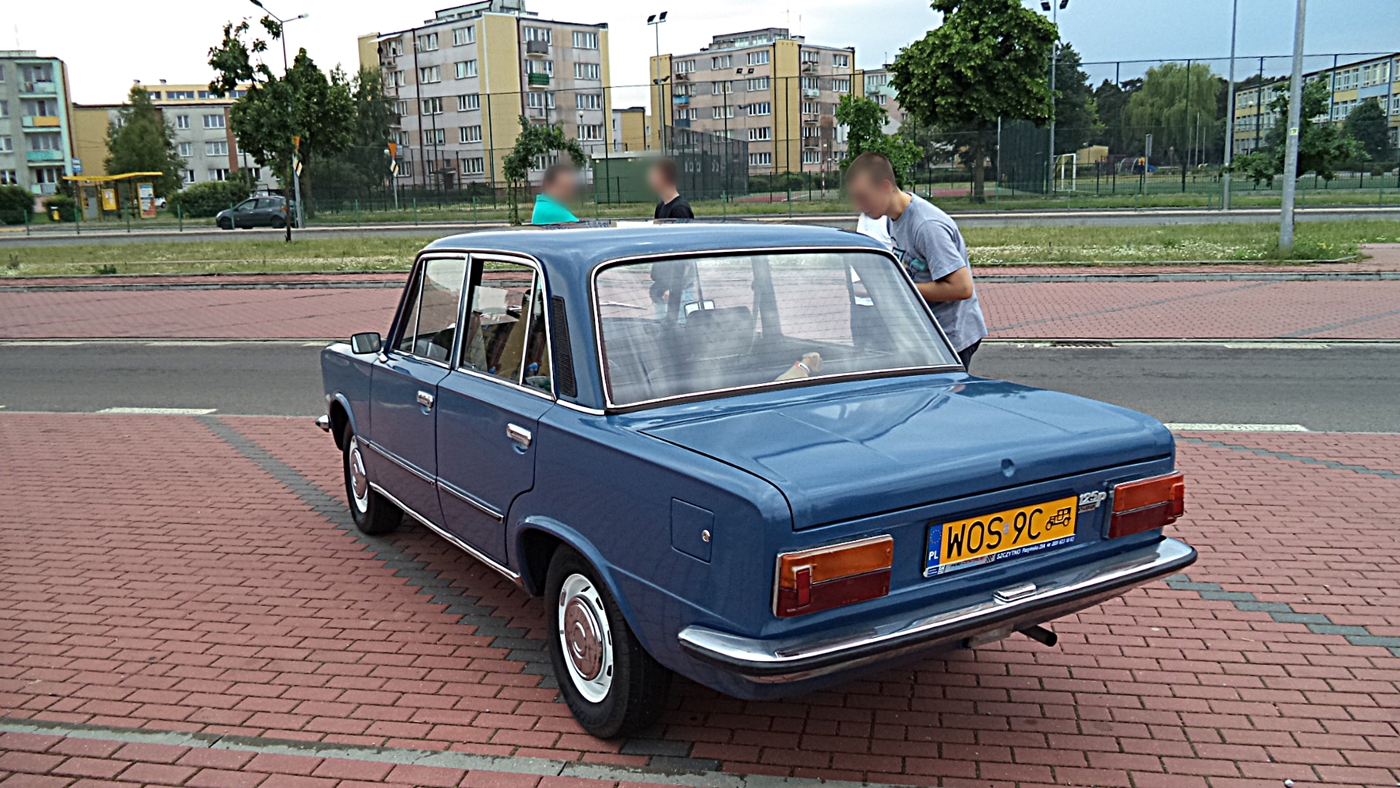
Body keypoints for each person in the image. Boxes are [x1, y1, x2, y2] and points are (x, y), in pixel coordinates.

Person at [844, 152, 987, 371]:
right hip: (931, 332)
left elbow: (962, 287)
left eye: (863, 197)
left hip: (952, 336)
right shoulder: (893, 219)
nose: (858, 206)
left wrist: (900, 288)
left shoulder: (926, 226)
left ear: (884, 187)